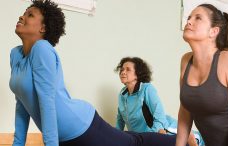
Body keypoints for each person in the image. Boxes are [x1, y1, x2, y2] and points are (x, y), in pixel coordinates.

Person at [9, 0, 179, 146]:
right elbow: (22, 105)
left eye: (30, 15)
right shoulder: (16, 55)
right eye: (24, 13)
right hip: (62, 135)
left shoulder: (42, 48)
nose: (21, 16)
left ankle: (185, 140)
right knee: (129, 138)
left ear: (43, 28)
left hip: (80, 126)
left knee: (133, 143)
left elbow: (46, 100)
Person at [176, 3, 228, 146]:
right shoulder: (186, 61)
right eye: (189, 17)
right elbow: (185, 110)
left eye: (198, 18)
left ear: (213, 31)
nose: (189, 21)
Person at [115, 57, 204, 146]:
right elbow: (120, 119)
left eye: (128, 70)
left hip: (165, 130)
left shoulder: (146, 89)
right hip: (142, 137)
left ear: (137, 74)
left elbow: (159, 115)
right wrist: (116, 136)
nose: (123, 72)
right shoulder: (123, 94)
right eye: (122, 69)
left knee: (192, 140)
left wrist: (152, 136)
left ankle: (194, 137)